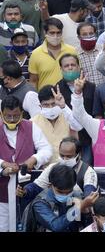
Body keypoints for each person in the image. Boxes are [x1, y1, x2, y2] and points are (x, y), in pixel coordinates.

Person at [0, 95, 52, 232]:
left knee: (27, 225)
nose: (12, 119)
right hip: (2, 189)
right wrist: (3, 164)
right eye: (8, 116)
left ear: (21, 113)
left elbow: (47, 150)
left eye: (16, 116)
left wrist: (34, 159)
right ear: (1, 113)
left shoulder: (31, 126)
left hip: (26, 187)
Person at [16, 137, 98, 207]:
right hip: (54, 211)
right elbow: (36, 187)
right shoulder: (52, 167)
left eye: (69, 156)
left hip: (79, 213)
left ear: (79, 154)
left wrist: (81, 204)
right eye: (62, 155)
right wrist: (25, 191)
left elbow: (90, 195)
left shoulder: (88, 171)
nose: (64, 159)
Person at [28, 164, 99, 232]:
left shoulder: (77, 196)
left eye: (69, 192)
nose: (65, 195)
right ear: (50, 185)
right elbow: (55, 226)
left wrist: (86, 212)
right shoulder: (40, 203)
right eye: (60, 192)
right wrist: (78, 208)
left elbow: (87, 226)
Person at [57, 53, 97, 164]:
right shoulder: (57, 89)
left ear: (79, 67)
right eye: (66, 66)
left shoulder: (91, 87)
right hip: (67, 139)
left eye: (73, 65)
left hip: (88, 137)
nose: (70, 67)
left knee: (86, 167)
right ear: (61, 69)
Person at [31, 85, 83, 164]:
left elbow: (78, 126)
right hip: (44, 169)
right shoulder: (32, 123)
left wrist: (63, 106)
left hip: (68, 167)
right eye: (46, 105)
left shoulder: (67, 115)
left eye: (53, 104)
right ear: (40, 106)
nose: (50, 107)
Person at [28, 18, 77, 91]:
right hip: (46, 99)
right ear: (45, 33)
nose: (55, 36)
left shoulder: (72, 51)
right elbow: (33, 81)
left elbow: (78, 74)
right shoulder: (36, 54)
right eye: (52, 33)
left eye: (58, 32)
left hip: (69, 96)